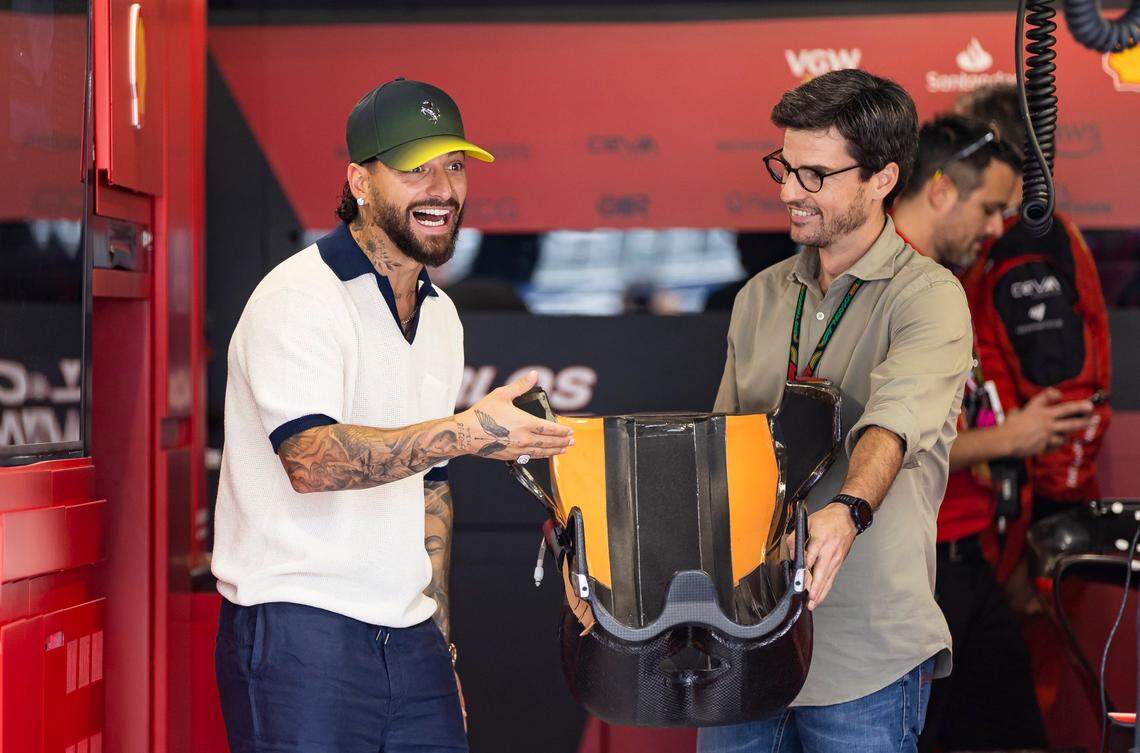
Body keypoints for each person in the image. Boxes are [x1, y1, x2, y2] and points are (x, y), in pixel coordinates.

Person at [210, 78, 573, 753]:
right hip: (299, 632)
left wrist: (439, 647)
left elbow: (430, 490)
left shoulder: (441, 315)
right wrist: (467, 429)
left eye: (455, 166)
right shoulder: (298, 297)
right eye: (414, 167)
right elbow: (310, 460)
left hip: (410, 645)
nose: (442, 188)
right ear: (360, 180)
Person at [699, 69, 972, 753]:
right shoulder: (758, 297)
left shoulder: (928, 298)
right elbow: (721, 456)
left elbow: (893, 423)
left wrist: (847, 510)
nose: (790, 190)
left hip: (865, 662)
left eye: (815, 175)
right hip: (743, 649)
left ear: (882, 178)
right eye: (785, 169)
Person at [892, 114, 1093, 752]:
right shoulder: (891, 288)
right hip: (915, 573)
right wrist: (1010, 439)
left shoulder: (944, 280)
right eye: (989, 208)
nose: (996, 229)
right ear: (943, 189)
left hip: (968, 558)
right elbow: (881, 449)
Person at [955, 84, 1112, 524]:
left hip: (1029, 513)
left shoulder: (1026, 244)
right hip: (1000, 498)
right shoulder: (1002, 238)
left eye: (965, 147)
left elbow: (1067, 405)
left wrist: (1048, 534)